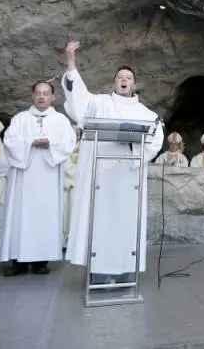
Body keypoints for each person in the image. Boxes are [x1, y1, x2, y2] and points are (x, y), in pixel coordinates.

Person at [61, 41, 164, 283]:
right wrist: (71, 63)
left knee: (124, 225)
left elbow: (155, 139)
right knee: (100, 224)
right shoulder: (99, 104)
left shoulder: (147, 114)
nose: (124, 80)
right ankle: (97, 271)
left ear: (134, 84)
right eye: (120, 77)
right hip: (100, 179)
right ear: (114, 83)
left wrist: (133, 147)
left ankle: (124, 272)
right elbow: (78, 101)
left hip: (128, 180)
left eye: (128, 77)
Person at [0, 81, 76, 276]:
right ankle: (18, 261)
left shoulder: (60, 120)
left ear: (52, 97)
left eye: (46, 93)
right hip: (24, 176)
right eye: (38, 93)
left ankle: (42, 260)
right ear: (32, 96)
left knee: (46, 215)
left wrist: (51, 145)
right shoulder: (20, 118)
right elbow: (9, 140)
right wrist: (30, 142)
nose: (42, 97)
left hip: (48, 175)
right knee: (20, 215)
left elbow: (68, 143)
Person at [63, 126, 82, 247]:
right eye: (74, 134)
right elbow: (65, 163)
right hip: (68, 183)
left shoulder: (84, 146)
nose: (76, 136)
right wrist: (74, 174)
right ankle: (65, 240)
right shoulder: (64, 146)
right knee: (66, 211)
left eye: (78, 134)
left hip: (80, 183)